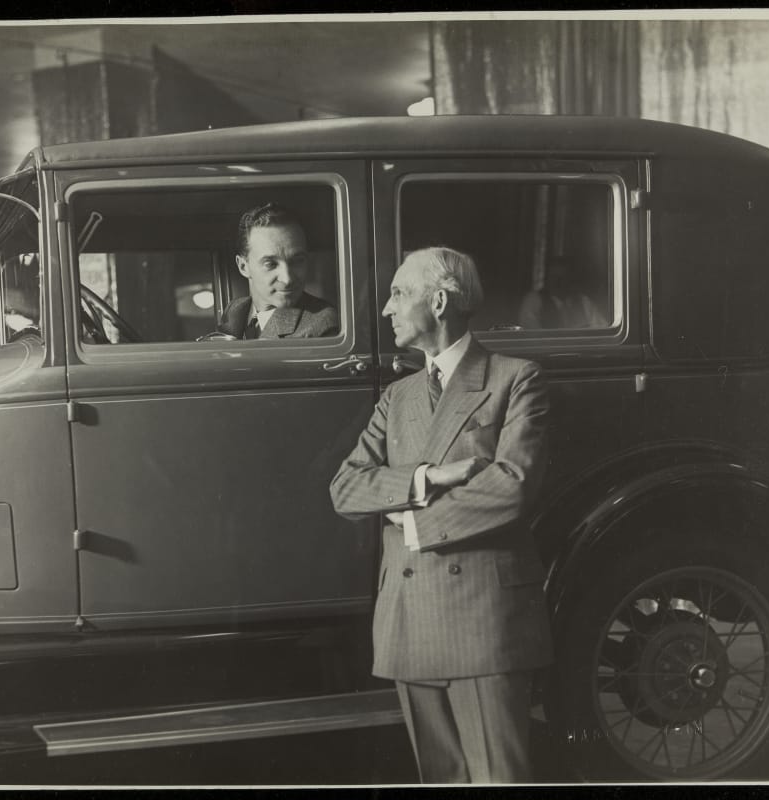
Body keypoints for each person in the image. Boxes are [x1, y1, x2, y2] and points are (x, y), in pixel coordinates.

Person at [329, 246, 553, 784]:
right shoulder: (398, 396)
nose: (387, 308)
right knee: (441, 779)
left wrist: (412, 524)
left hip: (483, 621)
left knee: (499, 778)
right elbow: (345, 488)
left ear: (440, 301)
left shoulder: (515, 378)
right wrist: (427, 478)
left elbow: (512, 485)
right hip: (407, 619)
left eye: (398, 293)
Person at [218, 203, 338, 339]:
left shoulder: (324, 325)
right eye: (271, 264)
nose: (287, 279)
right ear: (243, 267)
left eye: (297, 261)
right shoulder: (234, 310)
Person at [518, 254, 607, 330]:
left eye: (563, 277)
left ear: (570, 279)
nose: (558, 282)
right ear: (547, 278)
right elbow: (532, 333)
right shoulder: (533, 300)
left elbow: (601, 328)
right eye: (554, 277)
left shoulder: (583, 302)